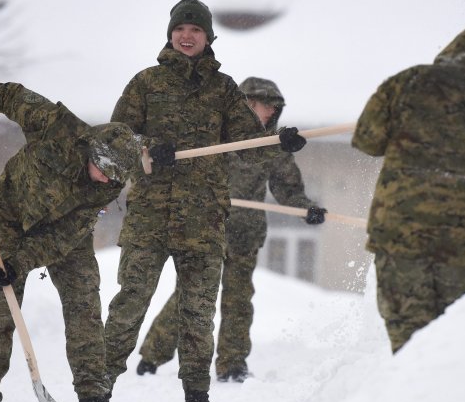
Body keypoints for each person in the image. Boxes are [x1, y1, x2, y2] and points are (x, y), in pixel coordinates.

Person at [102, 0, 307, 402]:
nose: (187, 35)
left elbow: (250, 148)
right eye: (180, 29)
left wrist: (277, 141)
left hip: (204, 222)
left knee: (198, 313)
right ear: (171, 35)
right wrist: (143, 148)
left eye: (195, 29)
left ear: (208, 37)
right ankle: (95, 398)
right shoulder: (146, 83)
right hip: (150, 219)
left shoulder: (224, 90)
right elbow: (114, 138)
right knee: (129, 306)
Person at [0, 82, 155, 402]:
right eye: (102, 167)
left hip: (65, 233)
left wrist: (23, 261)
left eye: (113, 176)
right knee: (0, 299)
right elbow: (9, 95)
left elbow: (62, 237)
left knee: (84, 305)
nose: (104, 178)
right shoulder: (56, 124)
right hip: (12, 217)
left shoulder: (106, 186)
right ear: (92, 149)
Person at [351, 23, 465, 353]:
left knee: (407, 344)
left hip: (399, 236)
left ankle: (407, 398)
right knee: (452, 346)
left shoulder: (408, 83)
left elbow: (367, 139)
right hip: (462, 250)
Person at [135, 76, 327, 383]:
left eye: (274, 110)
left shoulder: (273, 144)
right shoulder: (215, 133)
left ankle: (232, 364)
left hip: (245, 234)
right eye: (265, 107)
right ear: (247, 105)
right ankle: (152, 356)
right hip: (208, 226)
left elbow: (287, 186)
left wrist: (306, 209)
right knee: (191, 294)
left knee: (238, 300)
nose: (270, 114)